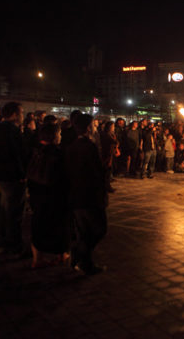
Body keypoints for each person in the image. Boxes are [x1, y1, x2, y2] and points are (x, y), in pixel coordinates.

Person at [65, 114, 108, 275]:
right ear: (89, 128)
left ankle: (85, 263)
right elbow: (96, 173)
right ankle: (79, 255)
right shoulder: (89, 147)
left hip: (76, 195)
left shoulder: (71, 146)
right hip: (89, 196)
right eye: (93, 125)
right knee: (99, 229)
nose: (95, 127)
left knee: (84, 231)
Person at [27, 123, 69, 268]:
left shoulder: (35, 151)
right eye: (59, 134)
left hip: (36, 194)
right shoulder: (58, 153)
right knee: (58, 226)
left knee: (38, 225)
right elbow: (64, 176)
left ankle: (37, 258)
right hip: (54, 196)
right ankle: (61, 254)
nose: (60, 136)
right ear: (55, 136)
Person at [0, 102, 28, 255]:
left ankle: (3, 240)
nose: (22, 116)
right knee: (14, 211)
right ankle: (13, 243)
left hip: (3, 174)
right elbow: (16, 154)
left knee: (5, 209)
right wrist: (22, 174)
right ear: (14, 114)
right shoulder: (12, 131)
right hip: (13, 176)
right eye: (21, 113)